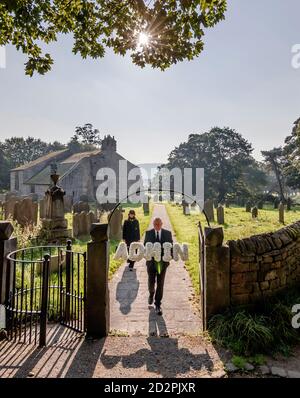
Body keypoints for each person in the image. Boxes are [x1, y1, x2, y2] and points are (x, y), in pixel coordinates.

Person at [144, 217, 173, 315]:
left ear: (162, 224)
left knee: (160, 284)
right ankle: (151, 293)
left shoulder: (167, 233)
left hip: (162, 264)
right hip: (151, 263)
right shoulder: (148, 233)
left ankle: (157, 304)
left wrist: (169, 260)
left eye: (158, 224)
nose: (157, 226)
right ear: (153, 224)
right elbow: (145, 247)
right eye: (155, 224)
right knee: (151, 282)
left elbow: (171, 248)